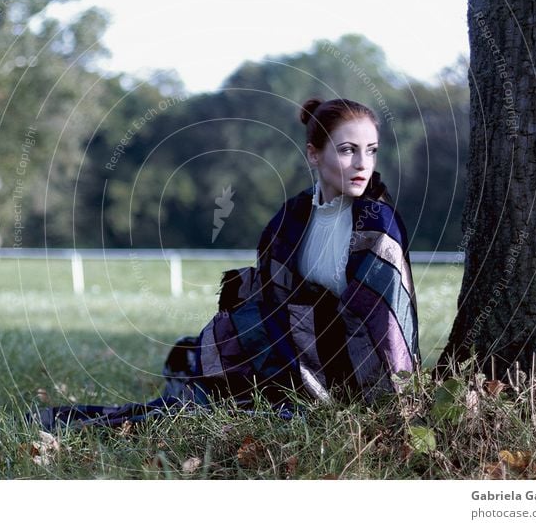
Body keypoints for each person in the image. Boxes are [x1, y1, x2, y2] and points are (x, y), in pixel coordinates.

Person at [31, 98, 419, 430]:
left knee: (238, 401)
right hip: (291, 353)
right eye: (348, 149)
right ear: (314, 153)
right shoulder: (293, 217)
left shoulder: (377, 225)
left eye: (371, 149)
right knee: (199, 366)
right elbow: (271, 296)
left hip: (346, 371)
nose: (361, 163)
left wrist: (389, 409)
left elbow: (385, 326)